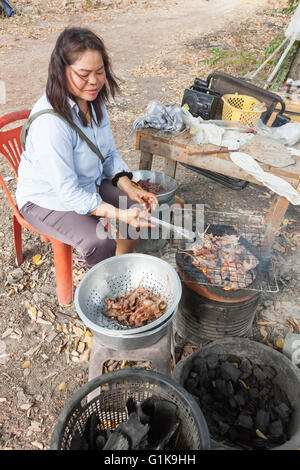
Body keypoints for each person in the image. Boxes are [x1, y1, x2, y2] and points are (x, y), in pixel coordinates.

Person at [16, 27, 158, 268]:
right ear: (61, 72)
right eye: (83, 74)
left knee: (137, 206)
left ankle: (119, 265)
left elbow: (108, 153)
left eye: (100, 72)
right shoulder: (50, 124)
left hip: (86, 183)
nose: (94, 81)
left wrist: (129, 188)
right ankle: (105, 286)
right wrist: (119, 215)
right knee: (99, 242)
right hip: (47, 199)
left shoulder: (93, 103)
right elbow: (68, 193)